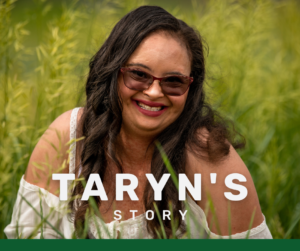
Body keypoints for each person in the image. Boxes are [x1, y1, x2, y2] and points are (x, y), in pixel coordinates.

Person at [4, 5, 272, 239]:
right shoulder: (67, 137)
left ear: (191, 88)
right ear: (113, 72)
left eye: (173, 81)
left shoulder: (211, 156)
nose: (154, 92)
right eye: (139, 74)